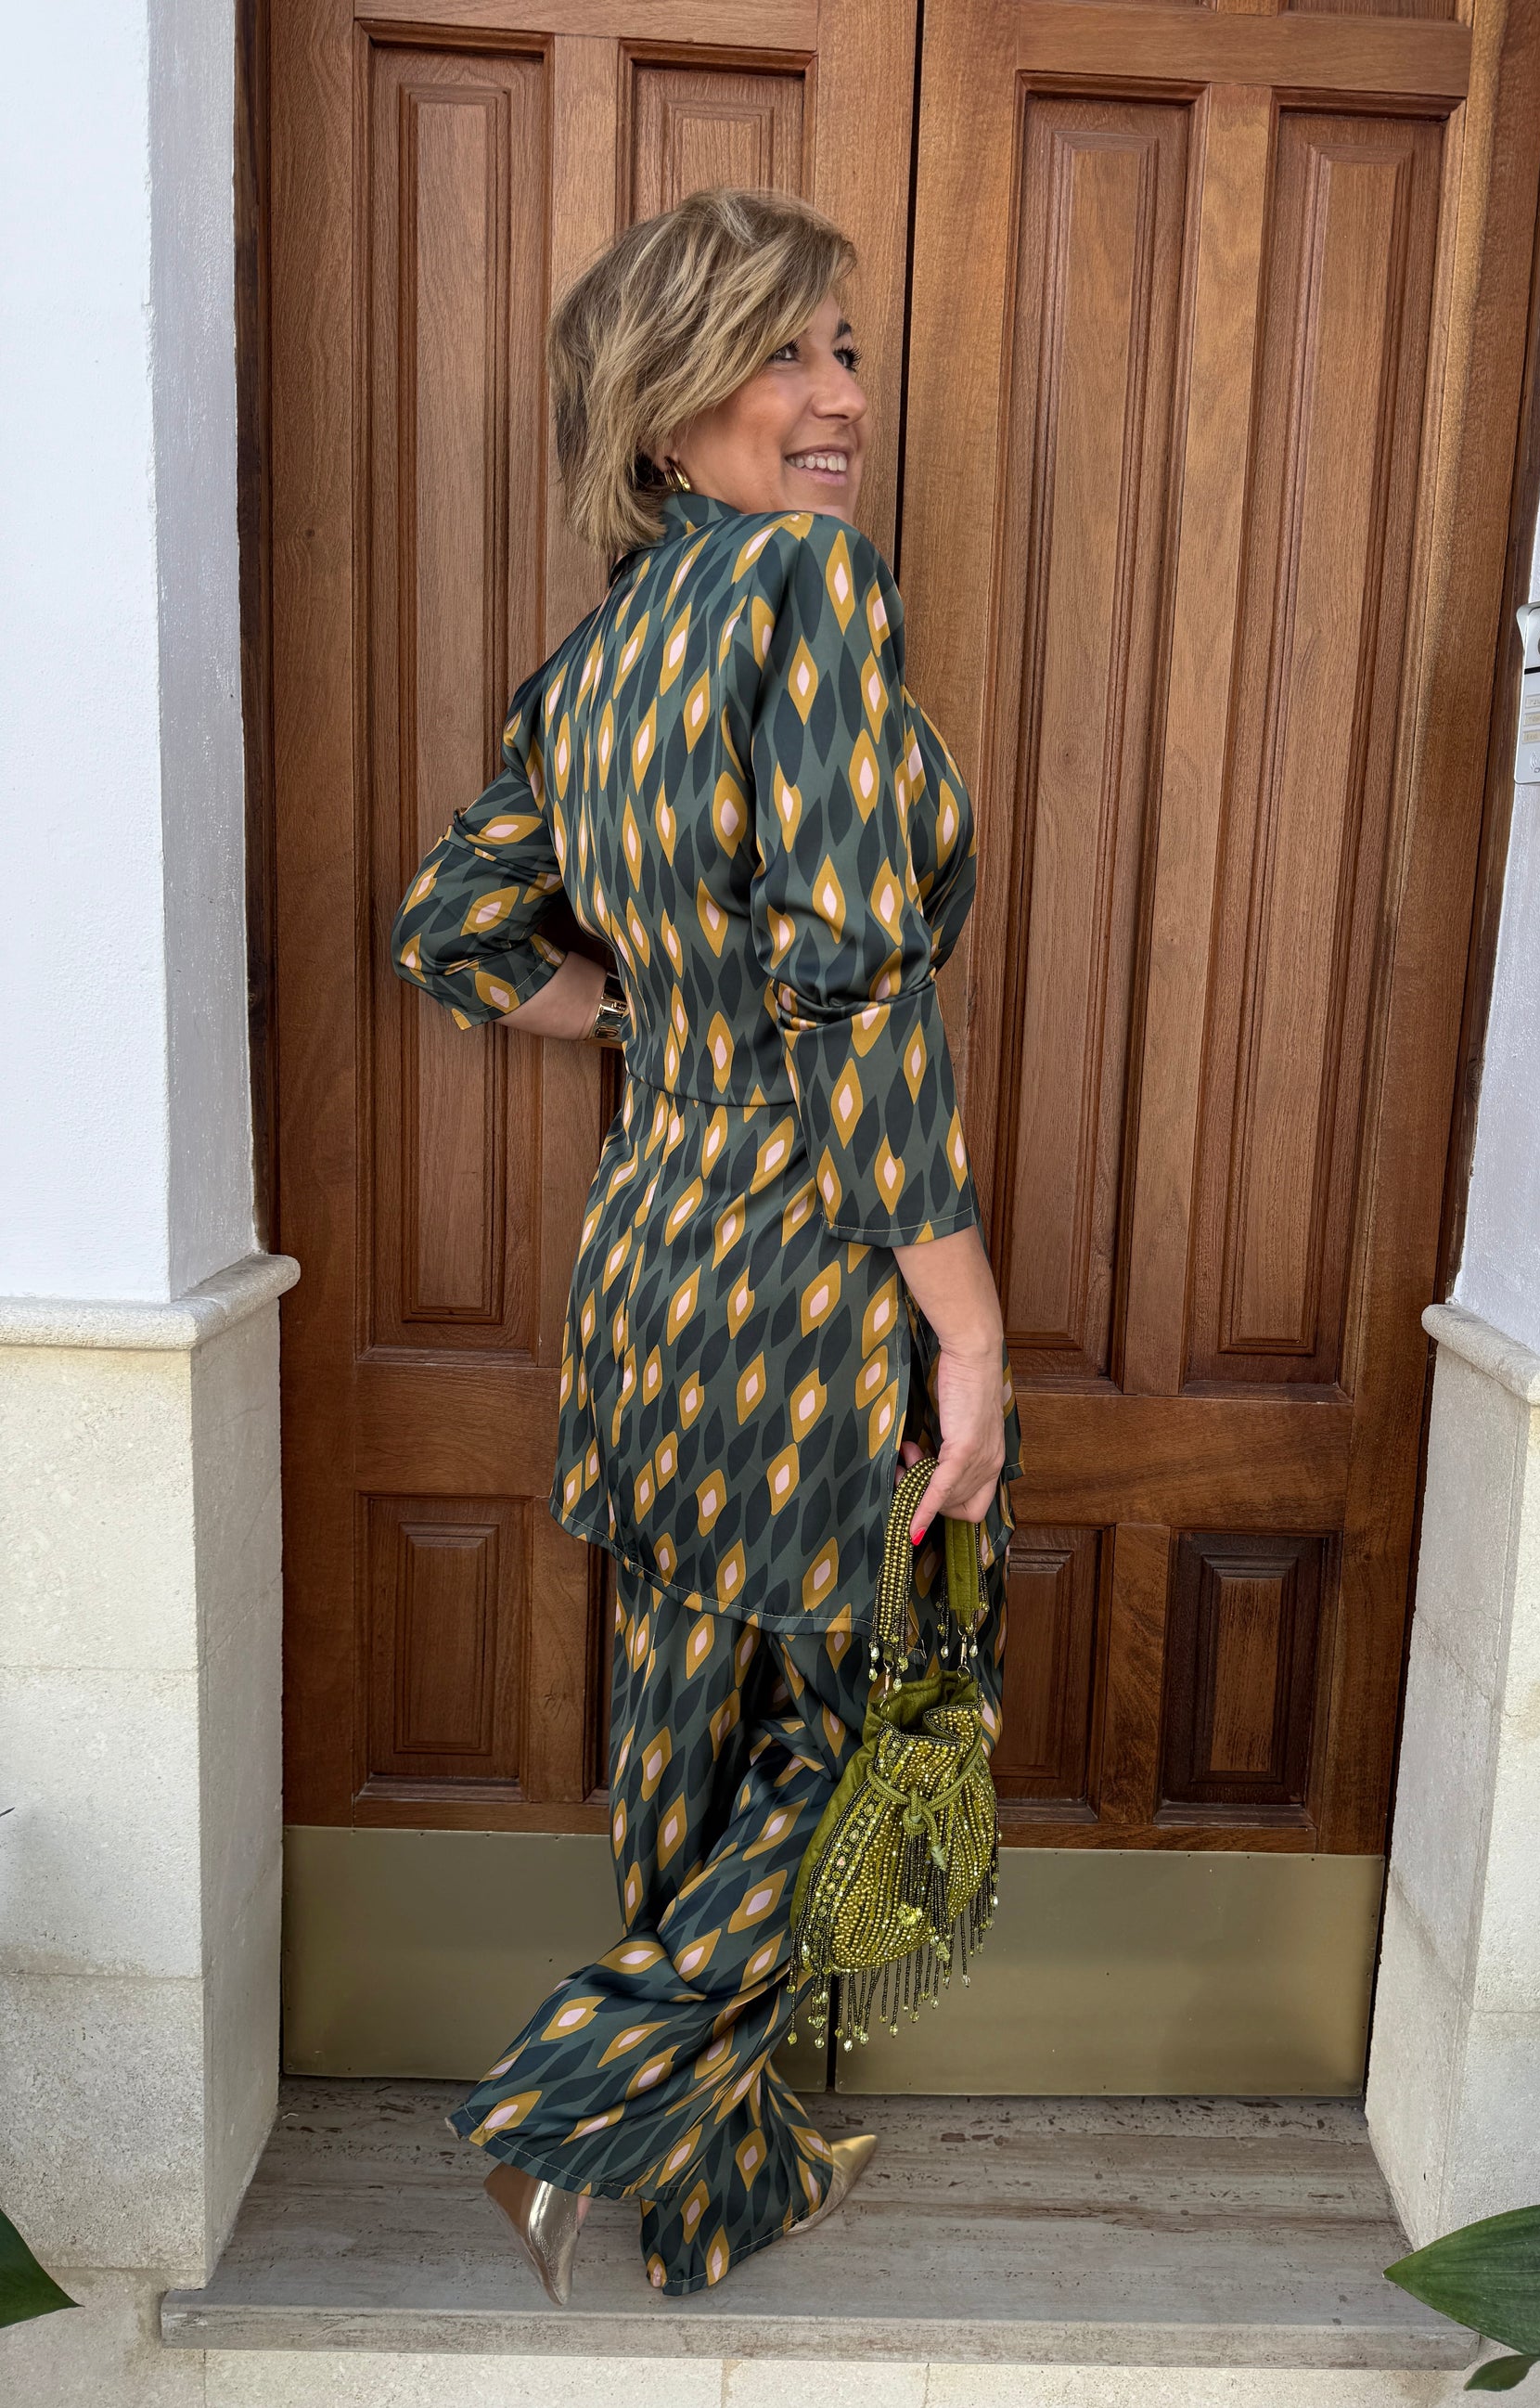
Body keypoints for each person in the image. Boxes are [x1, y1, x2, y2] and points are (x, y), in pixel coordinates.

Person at [391, 186, 1021, 2303]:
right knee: (880, 1703)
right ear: (662, 411)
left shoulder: (588, 669)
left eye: (844, 349)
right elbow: (854, 987)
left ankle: (708, 2187)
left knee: (686, 1709)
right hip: (806, 1260)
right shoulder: (806, 590)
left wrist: (660, 1020)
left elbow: (457, 936)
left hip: (648, 1251)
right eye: (782, 350)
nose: (839, 396)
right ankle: (567, 2100)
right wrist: (967, 1332)